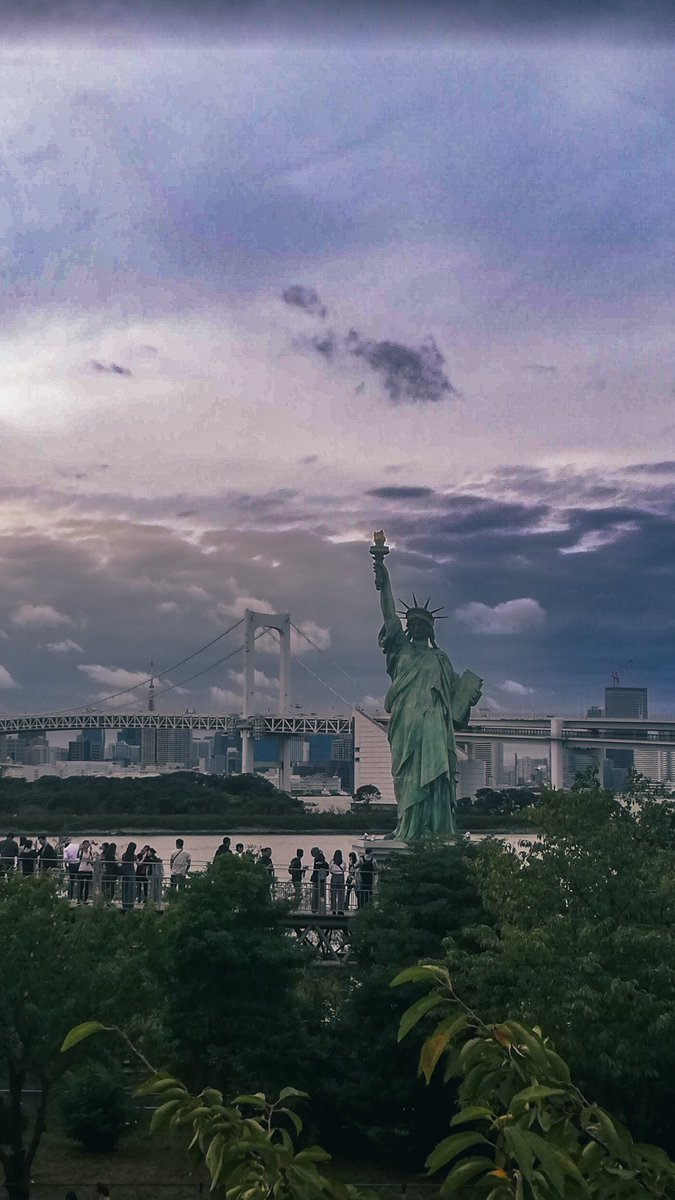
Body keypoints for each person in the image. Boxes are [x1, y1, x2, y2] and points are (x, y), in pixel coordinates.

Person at [372, 535, 483, 839]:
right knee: (408, 775)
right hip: (407, 725)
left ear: (430, 629)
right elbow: (387, 612)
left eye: (423, 623)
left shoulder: (441, 659)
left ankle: (436, 828)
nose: (417, 626)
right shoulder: (400, 651)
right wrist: (384, 575)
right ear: (407, 627)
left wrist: (471, 695)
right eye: (413, 622)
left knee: (437, 777)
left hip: (434, 724)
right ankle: (408, 825)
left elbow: (456, 699)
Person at [310, 848, 329, 914]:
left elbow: (315, 870)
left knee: (315, 894)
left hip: (316, 880)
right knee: (321, 894)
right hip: (322, 880)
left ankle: (314, 908)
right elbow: (326, 872)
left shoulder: (317, 860)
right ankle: (321, 907)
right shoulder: (324, 861)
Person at [120, 843, 137, 911]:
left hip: (125, 873)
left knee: (125, 889)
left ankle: (124, 903)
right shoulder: (133, 856)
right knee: (131, 889)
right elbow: (138, 862)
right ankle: (130, 904)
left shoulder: (124, 855)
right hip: (131, 873)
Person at [329, 849, 346, 915]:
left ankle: (333, 909)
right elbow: (344, 869)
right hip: (341, 877)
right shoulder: (343, 862)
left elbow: (330, 870)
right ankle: (340, 910)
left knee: (333, 894)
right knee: (341, 894)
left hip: (334, 877)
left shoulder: (332, 862)